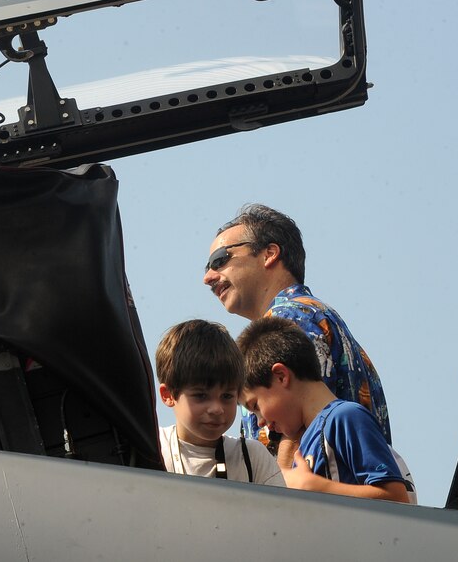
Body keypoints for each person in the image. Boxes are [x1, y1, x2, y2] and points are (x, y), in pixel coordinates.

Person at [202, 204, 391, 449]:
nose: (208, 278)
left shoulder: (289, 318)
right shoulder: (315, 315)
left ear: (269, 253)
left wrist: (278, 485)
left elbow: (296, 428)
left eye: (219, 260)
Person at [236, 317, 411, 503]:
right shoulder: (306, 445)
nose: (259, 421)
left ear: (281, 376)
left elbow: (397, 499)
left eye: (255, 406)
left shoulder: (345, 418)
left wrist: (314, 487)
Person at [155, 319, 284, 486]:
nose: (216, 409)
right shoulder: (153, 446)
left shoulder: (252, 457)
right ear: (168, 395)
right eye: (201, 396)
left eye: (227, 396)